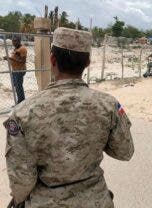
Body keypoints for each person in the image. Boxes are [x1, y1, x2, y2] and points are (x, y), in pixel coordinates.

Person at [4, 27, 134, 208]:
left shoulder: (22, 113)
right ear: (88, 62)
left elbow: (21, 183)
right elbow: (125, 152)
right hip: (96, 201)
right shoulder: (109, 105)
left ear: (52, 59)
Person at [4, 36, 27, 104]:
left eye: (15, 41)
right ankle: (20, 100)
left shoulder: (22, 49)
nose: (13, 43)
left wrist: (10, 58)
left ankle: (21, 101)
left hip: (19, 70)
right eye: (13, 41)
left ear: (19, 41)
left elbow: (23, 61)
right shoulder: (16, 49)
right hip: (14, 70)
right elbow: (16, 57)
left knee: (18, 86)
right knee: (16, 85)